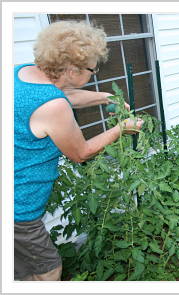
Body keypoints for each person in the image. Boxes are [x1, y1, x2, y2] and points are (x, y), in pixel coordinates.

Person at [14, 20, 143, 281]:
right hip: (18, 208)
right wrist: (122, 128)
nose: (93, 74)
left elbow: (62, 95)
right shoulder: (51, 106)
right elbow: (80, 153)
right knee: (48, 272)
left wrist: (106, 97)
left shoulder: (22, 73)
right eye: (92, 70)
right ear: (72, 70)